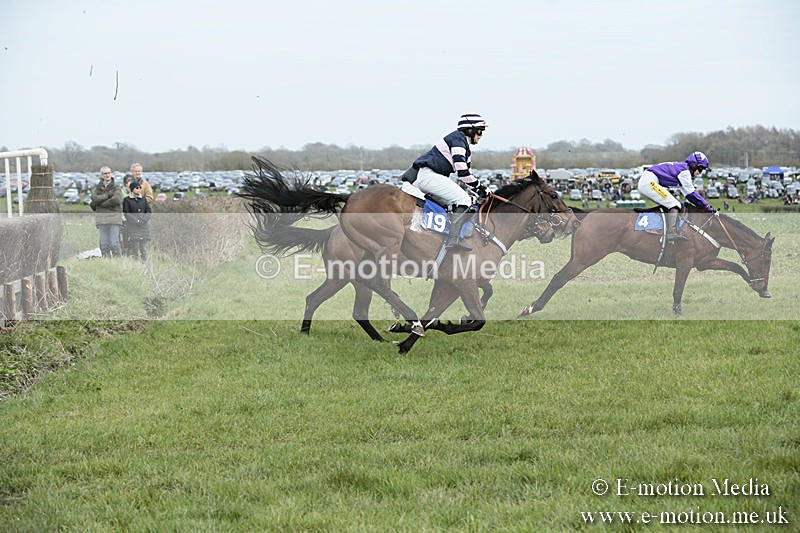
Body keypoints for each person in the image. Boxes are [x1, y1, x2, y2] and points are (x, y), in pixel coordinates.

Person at [402, 113, 487, 251]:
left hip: (432, 176)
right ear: (470, 130)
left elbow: (467, 174)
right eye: (479, 131)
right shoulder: (458, 140)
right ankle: (453, 241)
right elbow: (463, 173)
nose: (481, 135)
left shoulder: (464, 146)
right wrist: (480, 188)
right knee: (463, 200)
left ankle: (440, 236)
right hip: (430, 176)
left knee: (462, 202)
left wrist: (479, 190)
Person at [637, 151, 714, 241]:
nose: (700, 173)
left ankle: (662, 228)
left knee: (674, 204)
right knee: (674, 204)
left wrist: (704, 206)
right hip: (649, 182)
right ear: (694, 165)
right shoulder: (684, 172)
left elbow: (688, 195)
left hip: (649, 181)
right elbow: (692, 193)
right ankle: (671, 233)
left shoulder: (683, 169)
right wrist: (707, 206)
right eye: (700, 169)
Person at [90, 166, 123, 257]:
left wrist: (101, 204)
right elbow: (94, 199)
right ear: (101, 175)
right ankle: (106, 261)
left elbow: (117, 200)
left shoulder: (116, 187)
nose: (107, 175)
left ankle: (118, 262)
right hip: (101, 219)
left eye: (109, 173)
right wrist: (108, 195)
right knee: (104, 244)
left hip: (114, 219)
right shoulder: (97, 188)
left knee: (114, 243)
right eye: (105, 173)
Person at [123, 181, 152, 261]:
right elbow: (126, 213)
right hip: (133, 227)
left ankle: (145, 264)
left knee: (143, 248)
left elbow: (148, 211)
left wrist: (143, 220)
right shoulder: (127, 200)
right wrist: (136, 220)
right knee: (134, 248)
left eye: (140, 188)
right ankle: (136, 265)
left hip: (143, 226)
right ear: (132, 189)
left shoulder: (143, 199)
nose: (139, 189)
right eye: (137, 188)